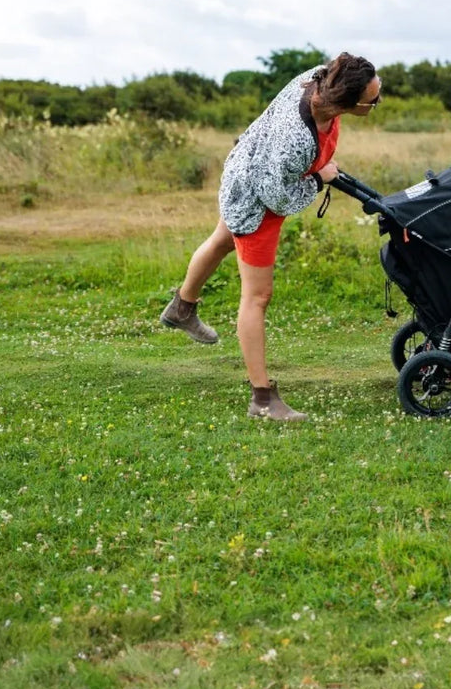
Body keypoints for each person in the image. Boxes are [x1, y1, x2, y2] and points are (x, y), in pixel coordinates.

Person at [160, 52, 381, 421]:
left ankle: (182, 308)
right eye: (373, 100)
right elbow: (277, 197)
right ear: (346, 103)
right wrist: (318, 178)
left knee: (219, 241)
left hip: (247, 168)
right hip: (256, 201)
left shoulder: (318, 77)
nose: (377, 102)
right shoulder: (298, 140)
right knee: (257, 296)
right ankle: (262, 399)